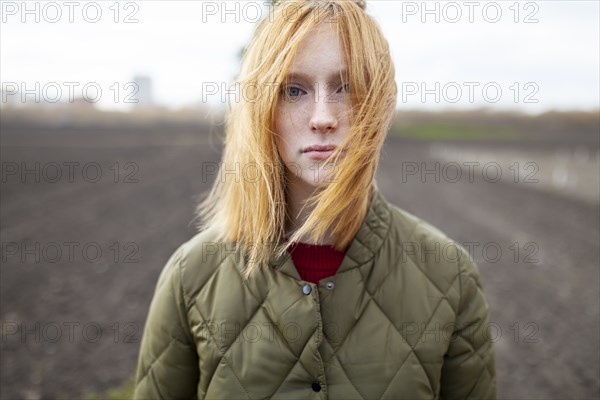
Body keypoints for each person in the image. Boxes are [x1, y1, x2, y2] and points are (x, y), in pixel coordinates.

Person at [133, 0, 497, 399]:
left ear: (377, 104)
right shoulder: (191, 277)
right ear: (262, 108)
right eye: (294, 90)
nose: (323, 117)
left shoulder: (448, 275)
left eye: (347, 87)